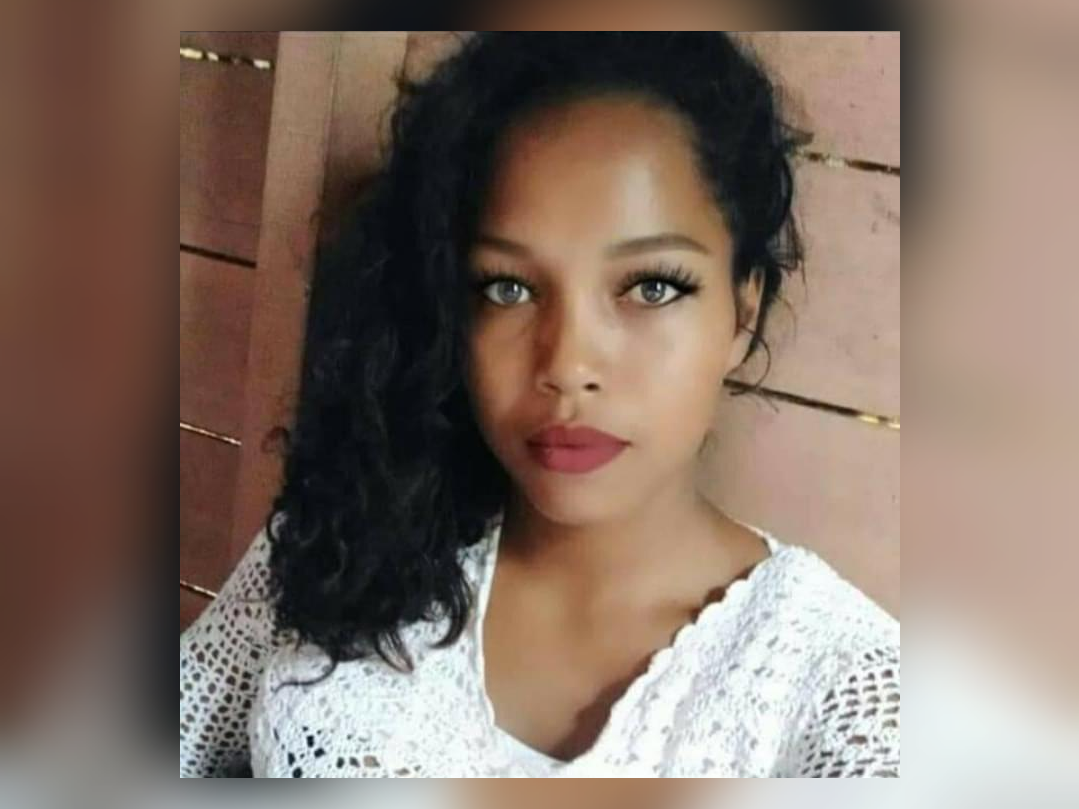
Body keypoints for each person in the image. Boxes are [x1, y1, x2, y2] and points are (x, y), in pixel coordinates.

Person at [180, 32, 899, 778]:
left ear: (742, 315)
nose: (566, 366)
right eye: (508, 288)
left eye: (651, 287)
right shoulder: (347, 539)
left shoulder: (846, 692)